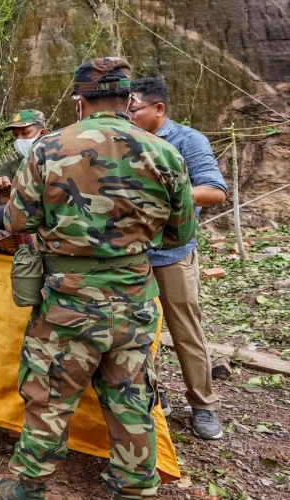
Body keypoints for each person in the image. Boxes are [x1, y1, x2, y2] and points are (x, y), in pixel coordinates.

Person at [0, 58, 196, 500]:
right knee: (132, 397)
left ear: (78, 102)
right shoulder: (164, 152)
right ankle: (134, 486)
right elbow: (181, 233)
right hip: (135, 298)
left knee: (50, 394)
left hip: (69, 302)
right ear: (128, 100)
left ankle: (28, 486)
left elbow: (16, 221)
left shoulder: (47, 149)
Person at [130, 77, 228, 440]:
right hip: (132, 255)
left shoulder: (187, 140)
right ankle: (156, 395)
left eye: (134, 109)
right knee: (140, 331)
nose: (128, 116)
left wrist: (164, 194)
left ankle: (204, 404)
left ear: (159, 109)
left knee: (185, 330)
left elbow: (214, 191)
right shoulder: (126, 141)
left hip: (172, 255)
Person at [0, 109, 49, 190]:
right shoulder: (8, 168)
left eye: (25, 133)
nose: (19, 139)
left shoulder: (56, 161)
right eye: (15, 135)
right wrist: (1, 183)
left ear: (42, 133)